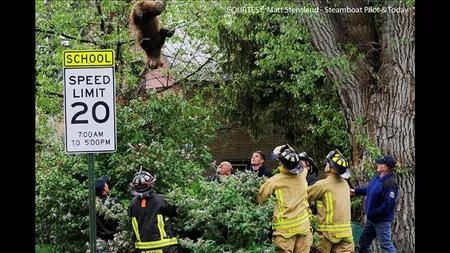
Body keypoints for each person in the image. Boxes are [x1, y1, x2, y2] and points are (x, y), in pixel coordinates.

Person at [256, 144, 311, 253]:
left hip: (284, 232)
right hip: (304, 228)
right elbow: (295, 160)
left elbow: (259, 199)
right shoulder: (303, 174)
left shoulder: (274, 181)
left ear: (281, 163)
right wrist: (290, 151)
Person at [307, 149, 354, 253]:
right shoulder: (345, 184)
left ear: (329, 167)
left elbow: (303, 196)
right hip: (346, 233)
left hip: (327, 233)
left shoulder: (322, 184)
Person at [350, 154, 398, 253]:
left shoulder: (390, 184)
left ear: (385, 167)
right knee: (363, 242)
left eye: (380, 164)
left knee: (386, 246)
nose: (377, 164)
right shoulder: (378, 177)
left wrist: (374, 213)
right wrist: (356, 191)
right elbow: (370, 189)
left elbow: (387, 206)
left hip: (381, 221)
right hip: (371, 220)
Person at [128, 169, 180, 253]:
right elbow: (175, 214)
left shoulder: (132, 204)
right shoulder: (162, 200)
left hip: (142, 249)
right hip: (165, 247)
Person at [95, 175, 122, 242]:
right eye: (105, 184)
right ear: (104, 188)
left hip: (100, 241)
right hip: (115, 241)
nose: (107, 184)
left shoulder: (94, 205)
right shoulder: (113, 202)